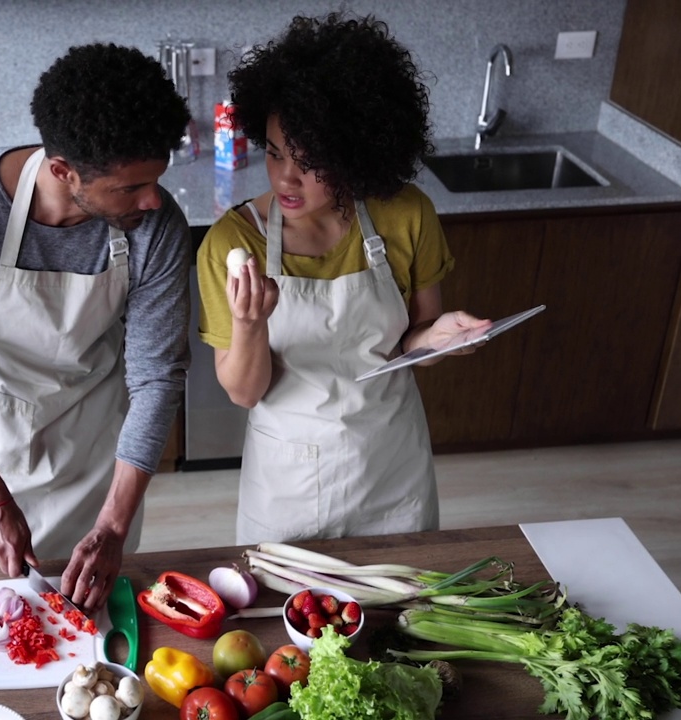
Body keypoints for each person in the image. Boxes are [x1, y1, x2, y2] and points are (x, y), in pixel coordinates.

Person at [0, 43, 192, 612]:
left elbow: (158, 377)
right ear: (64, 171)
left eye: (156, 179)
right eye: (130, 187)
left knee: (97, 627)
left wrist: (111, 523)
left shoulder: (157, 225)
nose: (153, 199)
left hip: (98, 450)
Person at [197, 13, 491, 545]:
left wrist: (440, 337)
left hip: (391, 465)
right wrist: (247, 323)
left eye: (312, 162)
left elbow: (413, 340)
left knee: (400, 616)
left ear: (357, 151)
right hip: (289, 479)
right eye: (275, 152)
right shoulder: (234, 242)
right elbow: (244, 391)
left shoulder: (406, 214)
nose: (286, 177)